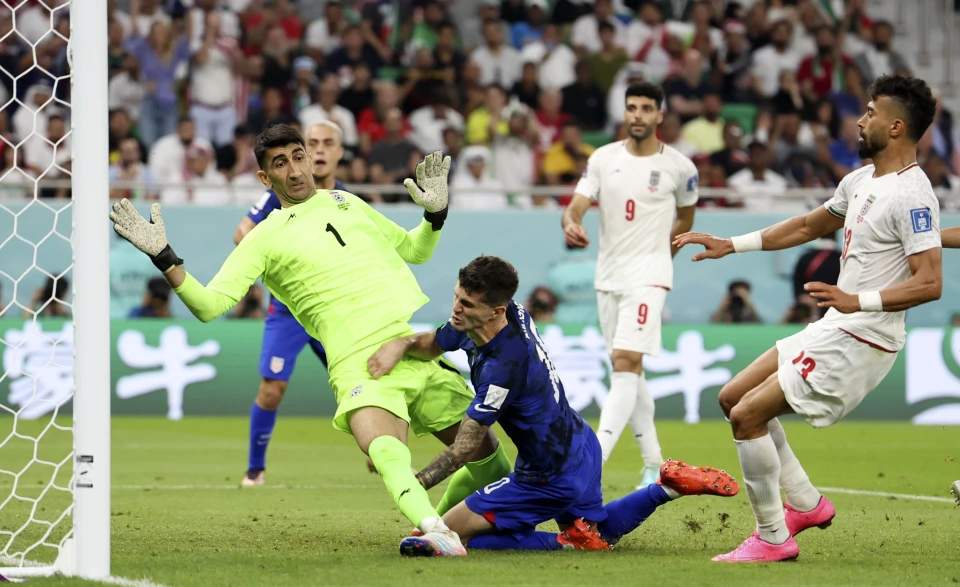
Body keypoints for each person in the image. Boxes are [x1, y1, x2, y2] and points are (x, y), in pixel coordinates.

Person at [110, 125, 511, 554]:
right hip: (361, 366)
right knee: (386, 449)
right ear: (266, 178)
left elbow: (415, 250)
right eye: (280, 163)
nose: (295, 169)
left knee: (492, 461)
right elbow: (209, 305)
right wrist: (164, 256)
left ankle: (440, 526)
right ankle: (433, 526)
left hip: (412, 346)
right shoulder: (263, 236)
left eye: (298, 156)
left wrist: (434, 216)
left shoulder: (346, 201)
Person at [673, 75, 941, 563]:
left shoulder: (914, 194)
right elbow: (804, 226)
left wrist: (859, 301)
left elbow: (929, 283)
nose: (860, 121)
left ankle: (773, 538)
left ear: (897, 126)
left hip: (864, 336)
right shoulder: (859, 180)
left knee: (747, 416)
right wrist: (731, 244)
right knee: (731, 397)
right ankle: (807, 504)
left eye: (871, 113)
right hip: (837, 325)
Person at [367, 256, 739, 556]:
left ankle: (565, 541)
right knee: (598, 534)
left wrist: (414, 483)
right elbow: (435, 341)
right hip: (580, 444)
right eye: (456, 296)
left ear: (496, 310)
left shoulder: (503, 365)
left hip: (545, 476)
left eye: (466, 303)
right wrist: (400, 344)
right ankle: (666, 487)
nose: (456, 309)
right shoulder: (496, 317)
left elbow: (466, 447)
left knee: (451, 535)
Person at [560, 82, 699, 488]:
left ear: (660, 115)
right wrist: (572, 223)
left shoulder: (680, 168)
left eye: (645, 108)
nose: (637, 115)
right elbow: (576, 206)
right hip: (608, 277)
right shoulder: (603, 159)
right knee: (629, 372)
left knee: (624, 362)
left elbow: (686, 221)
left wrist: (660, 261)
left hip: (650, 276)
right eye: (631, 107)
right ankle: (655, 464)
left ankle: (595, 458)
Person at [232, 121, 345, 487]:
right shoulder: (275, 197)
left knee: (365, 383)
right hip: (288, 312)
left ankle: (381, 452)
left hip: (333, 310)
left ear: (339, 153)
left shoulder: (346, 200)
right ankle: (255, 469)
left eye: (329, 143)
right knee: (271, 388)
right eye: (313, 143)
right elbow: (242, 233)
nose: (321, 150)